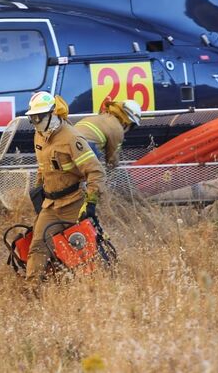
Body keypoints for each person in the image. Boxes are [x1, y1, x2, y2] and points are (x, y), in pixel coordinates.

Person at [24, 91, 105, 286]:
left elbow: (96, 172)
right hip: (50, 205)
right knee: (38, 246)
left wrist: (90, 204)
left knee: (83, 250)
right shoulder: (39, 135)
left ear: (52, 114)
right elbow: (42, 168)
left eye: (39, 117)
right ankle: (32, 289)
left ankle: (95, 286)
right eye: (32, 118)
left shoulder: (71, 138)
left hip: (73, 204)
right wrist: (38, 191)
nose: (35, 122)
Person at [74, 99, 141, 169]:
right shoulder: (117, 129)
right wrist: (113, 172)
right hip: (83, 147)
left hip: (66, 144)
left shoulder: (100, 117)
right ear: (128, 122)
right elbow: (112, 158)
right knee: (96, 175)